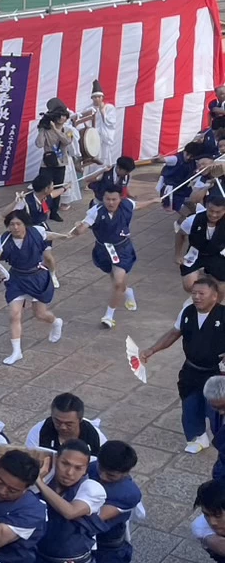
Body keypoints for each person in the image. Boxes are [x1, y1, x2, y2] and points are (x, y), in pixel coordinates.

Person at [138, 274, 225, 454]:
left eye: (201, 293)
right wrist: (152, 350)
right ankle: (197, 437)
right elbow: (174, 333)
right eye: (194, 293)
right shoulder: (187, 312)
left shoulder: (223, 316)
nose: (196, 297)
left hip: (217, 373)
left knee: (215, 410)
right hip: (191, 370)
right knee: (190, 404)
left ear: (215, 296)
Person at [33, 440, 106, 563]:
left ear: (85, 469)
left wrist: (37, 482)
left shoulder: (92, 488)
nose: (70, 472)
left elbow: (69, 511)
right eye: (65, 464)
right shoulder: (47, 478)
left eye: (78, 467)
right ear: (56, 460)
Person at [0, 210, 62, 367]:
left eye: (18, 224)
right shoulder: (2, 240)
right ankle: (16, 351)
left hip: (36, 277)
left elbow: (50, 235)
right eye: (11, 224)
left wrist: (67, 235)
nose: (15, 227)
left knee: (40, 314)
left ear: (25, 224)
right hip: (16, 279)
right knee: (14, 314)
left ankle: (56, 322)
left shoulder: (37, 231)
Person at [71, 187, 137, 328]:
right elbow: (82, 229)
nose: (111, 203)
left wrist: (154, 200)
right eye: (108, 199)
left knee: (118, 282)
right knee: (116, 281)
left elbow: (139, 205)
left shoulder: (127, 205)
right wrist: (77, 228)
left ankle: (109, 316)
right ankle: (128, 292)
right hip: (104, 250)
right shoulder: (95, 211)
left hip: (122, 249)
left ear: (120, 199)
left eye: (114, 199)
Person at [175, 192, 225, 294]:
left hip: (217, 254)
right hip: (196, 253)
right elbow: (180, 234)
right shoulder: (193, 219)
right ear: (206, 206)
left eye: (218, 212)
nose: (214, 215)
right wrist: (177, 254)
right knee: (189, 284)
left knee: (221, 289)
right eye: (211, 211)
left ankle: (214, 306)